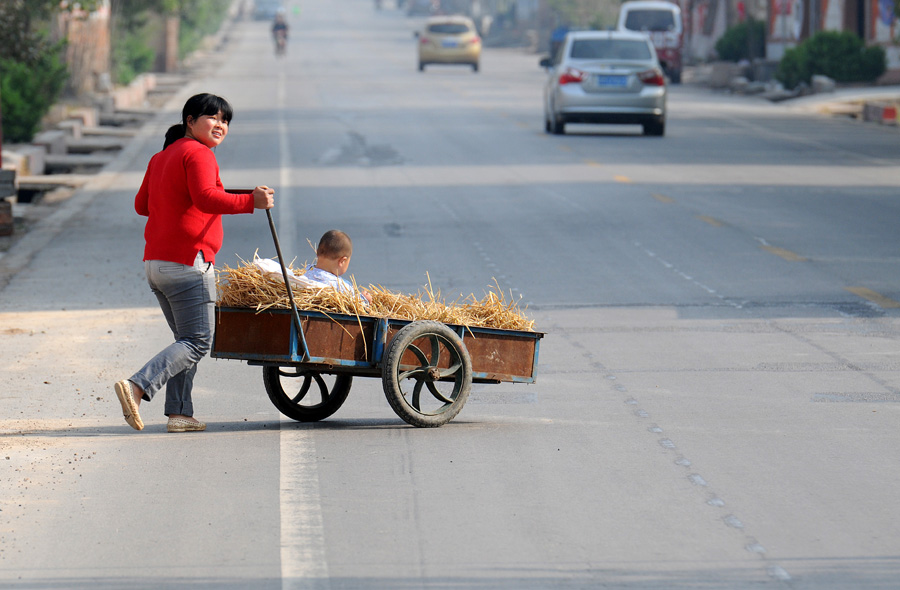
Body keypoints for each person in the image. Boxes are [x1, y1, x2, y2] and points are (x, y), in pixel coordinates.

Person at [115, 93, 275, 433]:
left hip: (156, 264)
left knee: (183, 340)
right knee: (197, 342)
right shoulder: (198, 153)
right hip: (189, 261)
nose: (220, 125)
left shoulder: (161, 157)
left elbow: (141, 205)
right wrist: (252, 201)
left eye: (225, 121)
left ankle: (180, 414)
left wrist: (174, 198)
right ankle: (137, 386)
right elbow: (205, 197)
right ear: (190, 121)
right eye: (212, 118)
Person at [304, 230, 372, 304]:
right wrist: (365, 299)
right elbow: (358, 305)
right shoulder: (340, 287)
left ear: (317, 252)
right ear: (342, 261)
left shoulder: (306, 274)